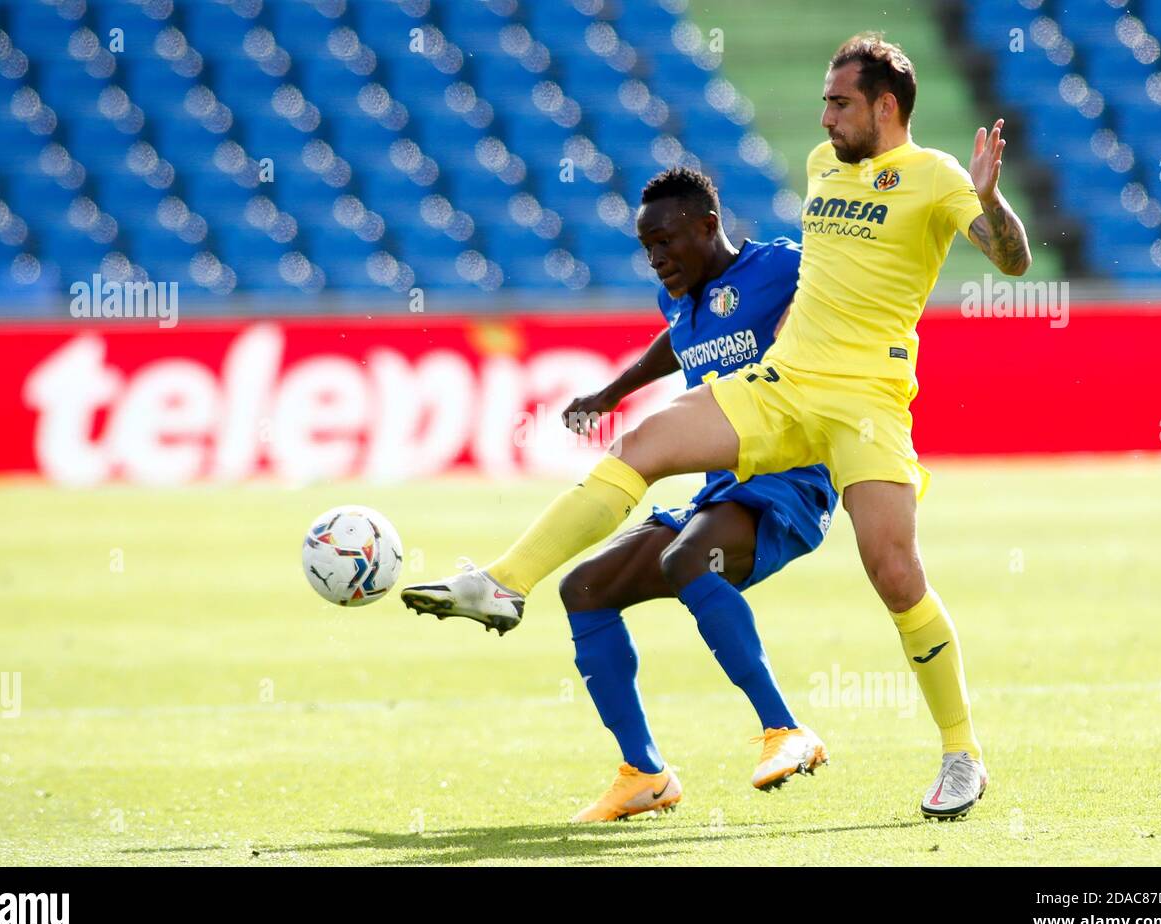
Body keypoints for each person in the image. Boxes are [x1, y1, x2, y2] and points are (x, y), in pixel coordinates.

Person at [403, 33, 1031, 821]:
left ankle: (961, 753)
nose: (826, 116)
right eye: (825, 102)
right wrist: (617, 387)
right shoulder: (820, 166)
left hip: (865, 402)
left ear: (885, 105)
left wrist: (992, 199)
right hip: (783, 384)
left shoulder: (938, 179)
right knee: (643, 444)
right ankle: (502, 583)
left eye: (840, 102)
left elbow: (1010, 261)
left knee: (895, 573)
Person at [552, 169, 837, 822]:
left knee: (687, 560)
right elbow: (676, 344)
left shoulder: (782, 268)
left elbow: (855, 290)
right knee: (584, 589)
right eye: (645, 246)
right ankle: (643, 774)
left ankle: (786, 730)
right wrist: (610, 393)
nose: (656, 258)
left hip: (792, 483)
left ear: (709, 225)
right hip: (723, 491)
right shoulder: (677, 301)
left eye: (666, 240)